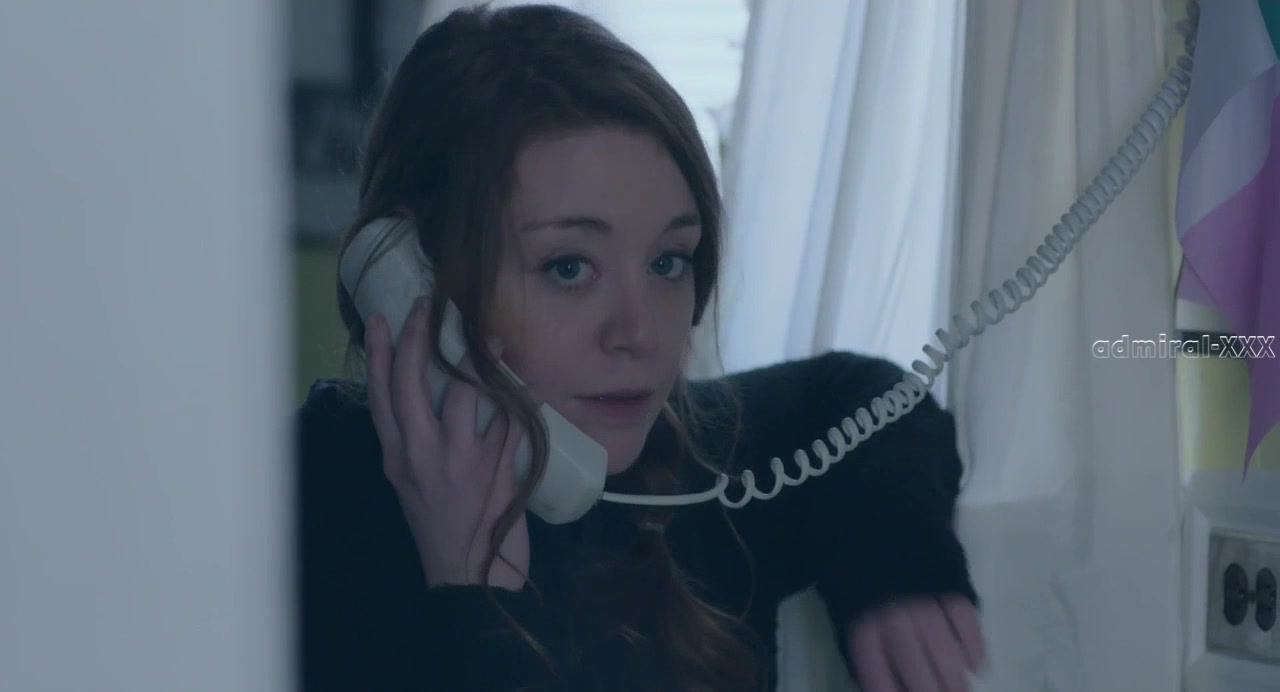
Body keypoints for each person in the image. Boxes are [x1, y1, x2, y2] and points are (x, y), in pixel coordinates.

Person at [296, 4, 985, 691]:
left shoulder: (687, 464)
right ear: (413, 269)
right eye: (569, 267)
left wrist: (895, 563)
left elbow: (861, 398)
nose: (642, 332)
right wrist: (472, 589)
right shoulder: (301, 509)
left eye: (667, 262)